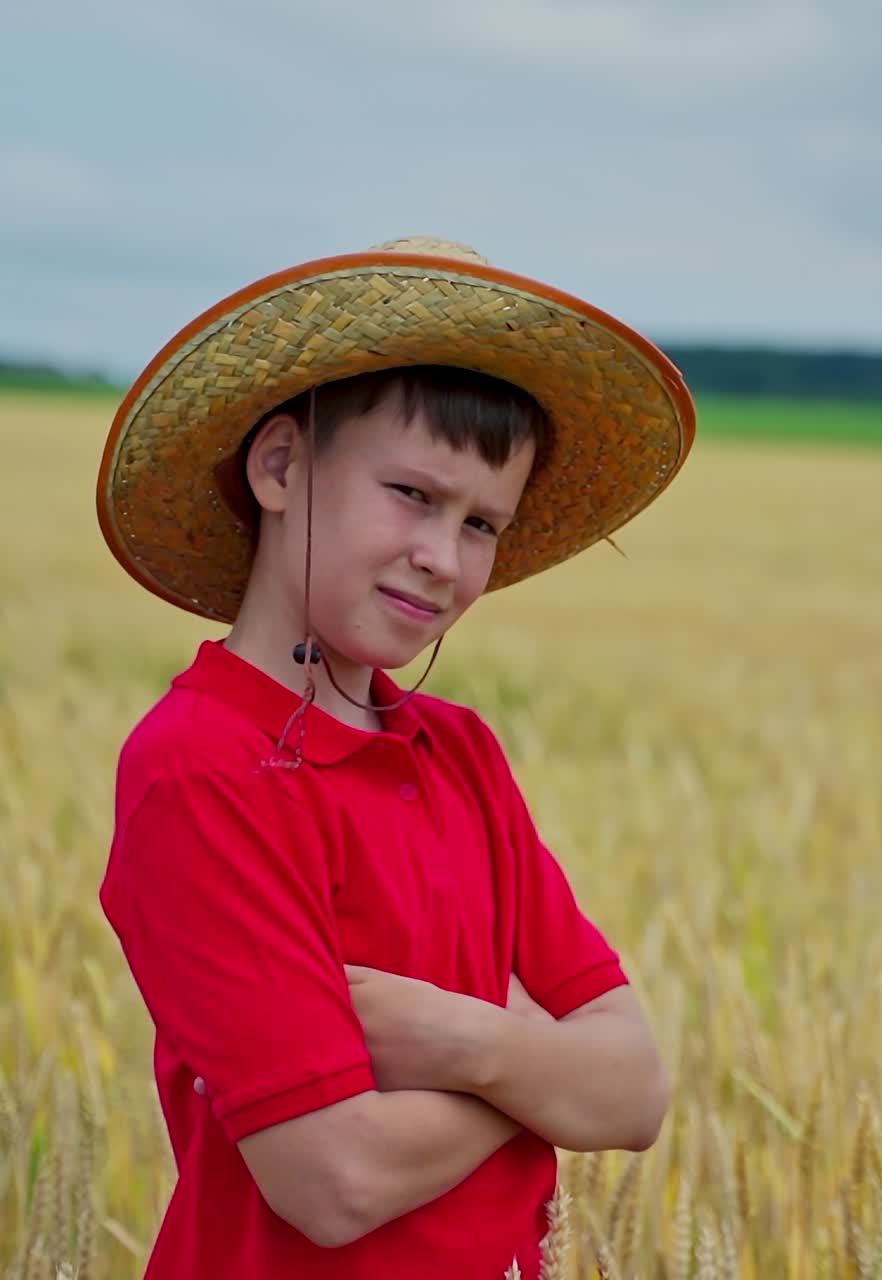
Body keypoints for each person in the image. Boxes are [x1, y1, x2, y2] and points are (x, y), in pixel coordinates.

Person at [96, 236, 697, 1278]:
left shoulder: (458, 750)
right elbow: (335, 1179)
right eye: (413, 494)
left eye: (481, 523)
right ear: (280, 466)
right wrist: (542, 1078)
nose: (443, 557)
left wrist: (463, 1043)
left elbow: (637, 1089)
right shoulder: (197, 766)